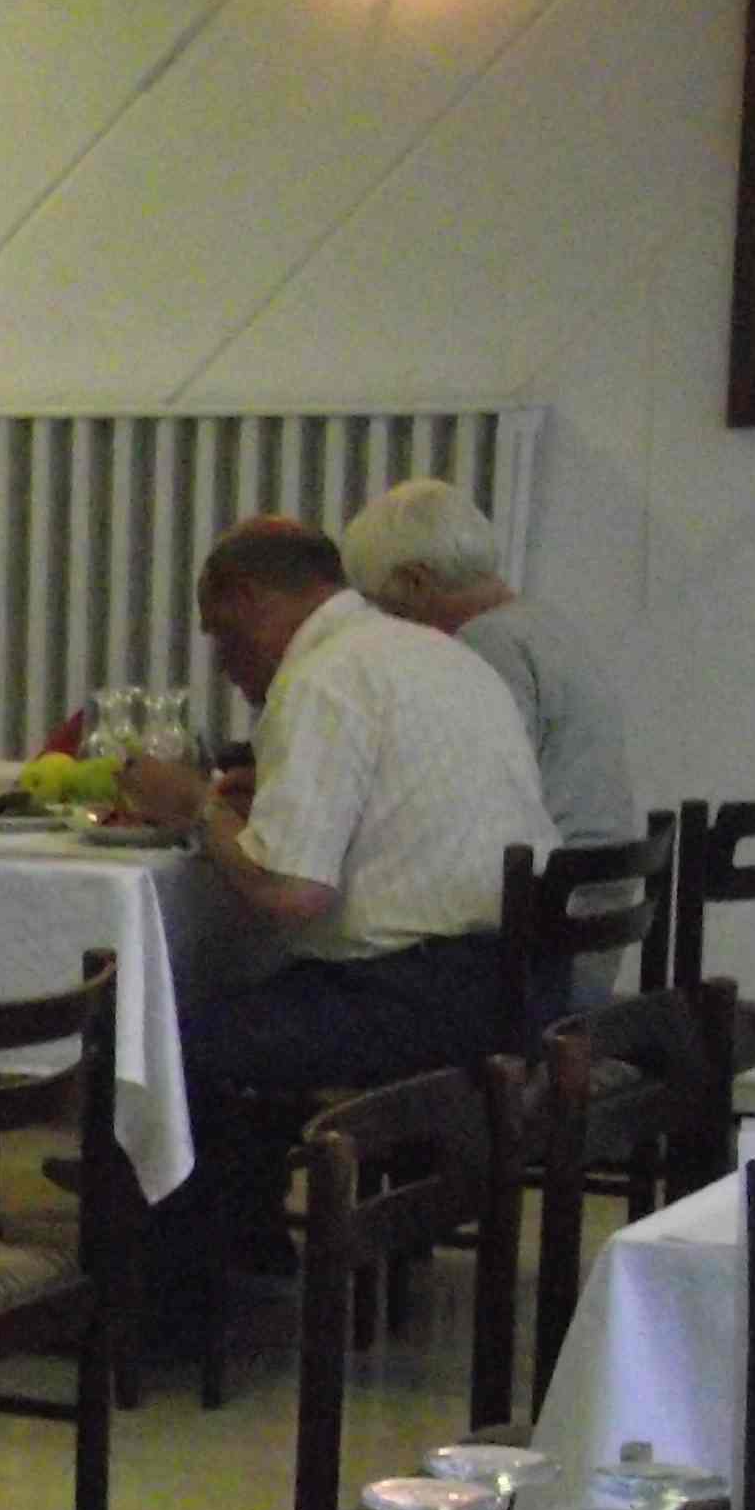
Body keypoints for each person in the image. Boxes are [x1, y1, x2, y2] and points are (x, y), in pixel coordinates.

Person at [116, 516, 560, 1350]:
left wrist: (197, 809)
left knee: (162, 1045)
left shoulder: (323, 679)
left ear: (250, 599)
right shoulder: (434, 653)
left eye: (220, 633)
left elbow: (291, 893)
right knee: (238, 1003)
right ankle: (248, 1247)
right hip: (516, 979)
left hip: (421, 995)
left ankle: (171, 1316)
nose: (224, 662)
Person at [341, 476, 640, 851]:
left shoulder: (483, 646)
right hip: (600, 866)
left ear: (415, 583)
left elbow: (476, 793)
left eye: (382, 603)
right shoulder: (540, 622)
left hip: (553, 874)